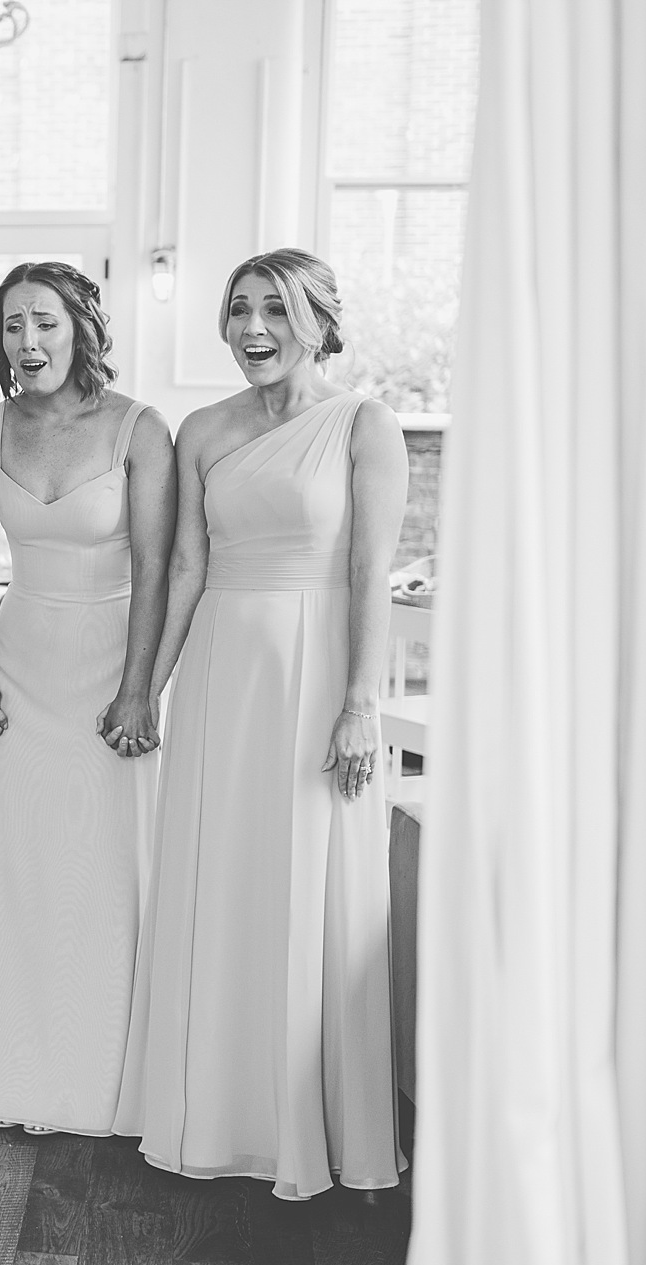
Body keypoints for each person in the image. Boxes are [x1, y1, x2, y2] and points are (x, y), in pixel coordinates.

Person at [115, 248, 408, 1198]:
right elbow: (186, 569)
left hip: (319, 678)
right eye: (239, 309)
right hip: (223, 677)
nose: (253, 328)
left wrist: (360, 704)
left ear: (319, 321)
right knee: (223, 880)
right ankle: (218, 1110)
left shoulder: (365, 425)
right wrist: (145, 687)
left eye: (275, 309)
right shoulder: (202, 430)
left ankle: (310, 1127)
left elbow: (369, 573)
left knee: (311, 887)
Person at [0, 262, 176, 1137]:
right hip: (21, 665)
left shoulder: (139, 429)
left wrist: (139, 688)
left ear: (80, 328)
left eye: (43, 321)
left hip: (109, 664)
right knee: (22, 867)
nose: (27, 341)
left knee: (105, 870)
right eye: (12, 326)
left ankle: (103, 1079)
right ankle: (15, 1069)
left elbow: (156, 566)